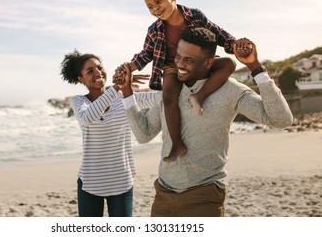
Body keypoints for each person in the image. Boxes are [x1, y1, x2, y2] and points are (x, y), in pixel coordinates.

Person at [117, 27, 293, 217]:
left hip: (205, 197)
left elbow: (281, 119)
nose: (179, 65)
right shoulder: (169, 91)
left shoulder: (230, 91)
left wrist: (255, 67)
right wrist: (127, 92)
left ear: (209, 62)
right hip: (164, 196)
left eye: (189, 60)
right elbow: (144, 134)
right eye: (177, 56)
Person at [124, 0, 242, 163]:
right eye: (150, 7)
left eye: (158, 1)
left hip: (198, 64)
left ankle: (200, 96)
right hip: (173, 67)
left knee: (229, 64)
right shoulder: (154, 30)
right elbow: (146, 53)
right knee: (168, 96)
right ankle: (177, 144)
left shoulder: (195, 16)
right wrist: (131, 66)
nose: (155, 9)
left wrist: (233, 43)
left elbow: (217, 32)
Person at [60, 50, 156, 217]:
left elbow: (160, 98)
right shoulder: (78, 101)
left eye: (99, 67)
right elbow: (87, 118)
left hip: (122, 182)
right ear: (80, 79)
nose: (97, 72)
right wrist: (117, 88)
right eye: (90, 71)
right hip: (90, 183)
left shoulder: (125, 97)